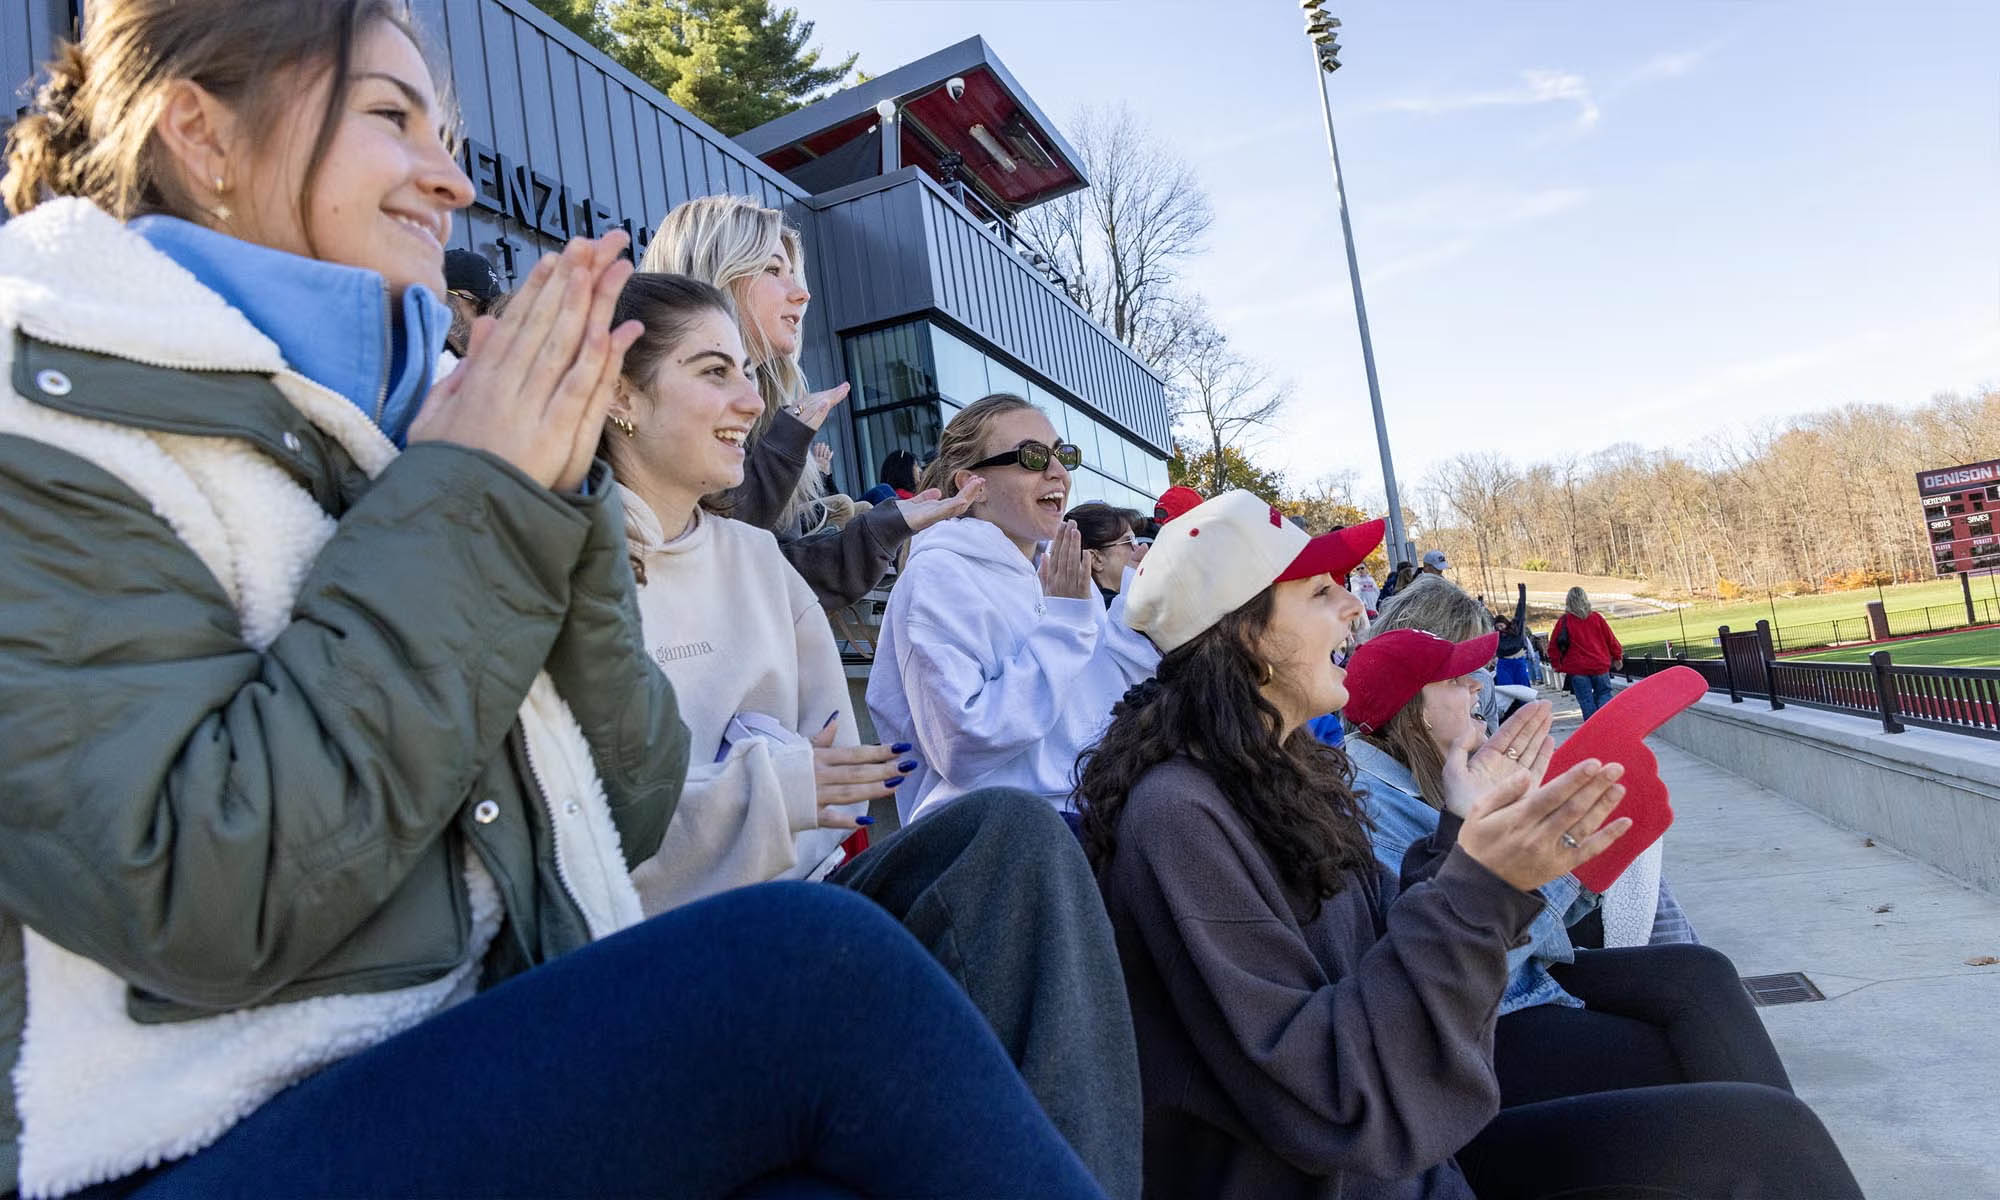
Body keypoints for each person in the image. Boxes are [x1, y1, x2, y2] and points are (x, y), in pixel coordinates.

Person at [0, 7, 1111, 1196]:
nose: (452, 175)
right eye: (390, 118)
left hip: (498, 1029)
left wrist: (555, 490)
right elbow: (193, 890)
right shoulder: (51, 405)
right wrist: (481, 492)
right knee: (814, 967)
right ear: (201, 135)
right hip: (208, 1128)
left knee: (999, 858)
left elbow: (619, 802)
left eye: (448, 128)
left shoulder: (405, 413)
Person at [1080, 491, 1861, 1200]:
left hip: (1417, 1152)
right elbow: (1332, 1094)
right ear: (1244, 635)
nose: (1355, 610)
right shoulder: (1179, 817)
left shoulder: (1279, 773)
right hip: (1367, 1171)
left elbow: (1389, 944)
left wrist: (1463, 828)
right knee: (1761, 1141)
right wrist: (1487, 879)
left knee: (1758, 1123)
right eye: (1321, 594)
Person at [600, 275, 1144, 1195]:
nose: (748, 400)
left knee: (1022, 839)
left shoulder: (758, 560)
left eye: (747, 372)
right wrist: (770, 784)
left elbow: (835, 786)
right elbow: (586, 833)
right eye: (713, 371)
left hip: (811, 900)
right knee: (1035, 829)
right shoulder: (567, 560)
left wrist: (776, 785)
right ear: (619, 393)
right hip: (676, 945)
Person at [1341, 624, 1773, 1109]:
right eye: (1455, 680)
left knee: (1703, 972)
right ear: (1414, 713)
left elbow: (1514, 931)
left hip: (1513, 985)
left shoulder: (1433, 778)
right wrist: (1566, 867)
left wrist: (1580, 862)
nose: (1477, 686)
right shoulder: (1373, 811)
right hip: (1483, 1025)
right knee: (1699, 1064)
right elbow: (1457, 962)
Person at [641, 194, 970, 607]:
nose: (801, 294)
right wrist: (786, 443)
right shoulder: (644, 407)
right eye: (773, 269)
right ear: (718, 274)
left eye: (794, 273)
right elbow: (705, 568)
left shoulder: (771, 410)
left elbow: (772, 580)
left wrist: (884, 528)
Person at [869, 393, 1153, 825]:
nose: (1058, 472)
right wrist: (1063, 627)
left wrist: (1140, 626)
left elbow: (1097, 709)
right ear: (972, 486)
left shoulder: (1056, 569)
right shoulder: (938, 574)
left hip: (1094, 809)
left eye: (1062, 455)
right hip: (1001, 836)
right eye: (1033, 457)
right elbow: (962, 745)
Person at [1548, 586, 1623, 719]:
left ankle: (1592, 730)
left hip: (1577, 668)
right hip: (1599, 665)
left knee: (1585, 700)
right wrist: (1617, 656)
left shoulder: (1564, 621)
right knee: (1604, 694)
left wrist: (1556, 664)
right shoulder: (1596, 618)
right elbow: (1610, 639)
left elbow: (1553, 646)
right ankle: (1604, 720)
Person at [1068, 501, 1139, 606]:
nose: (1139, 548)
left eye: (1136, 540)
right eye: (1129, 542)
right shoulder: (1119, 615)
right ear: (1096, 559)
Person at [441, 246, 502, 356]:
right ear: (442, 297)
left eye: (494, 311)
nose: (489, 321)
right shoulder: (408, 361)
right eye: (482, 307)